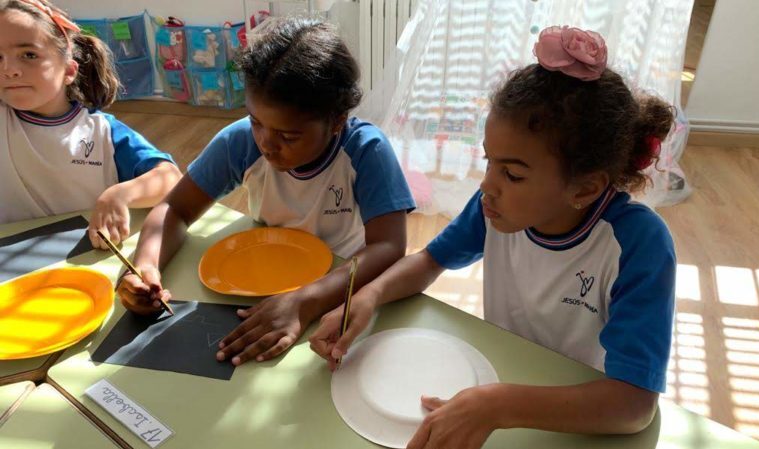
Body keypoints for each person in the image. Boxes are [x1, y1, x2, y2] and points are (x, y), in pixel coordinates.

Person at [310, 26, 676, 448]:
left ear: (585, 189)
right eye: (489, 162)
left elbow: (632, 406)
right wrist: (369, 297)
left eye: (513, 173)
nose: (488, 185)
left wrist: (498, 405)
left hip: (577, 413)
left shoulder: (638, 245)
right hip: (504, 380)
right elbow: (430, 260)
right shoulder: (497, 206)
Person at [117, 17, 415, 366]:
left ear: (337, 121)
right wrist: (143, 267)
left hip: (340, 285)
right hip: (262, 278)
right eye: (256, 121)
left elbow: (389, 245)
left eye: (288, 136)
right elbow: (175, 209)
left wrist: (306, 301)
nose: (267, 144)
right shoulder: (240, 141)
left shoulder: (366, 151)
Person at [0, 0, 181, 249]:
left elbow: (169, 177)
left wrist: (120, 195)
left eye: (29, 55)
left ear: (69, 71)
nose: (8, 69)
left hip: (86, 258)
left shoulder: (102, 131)